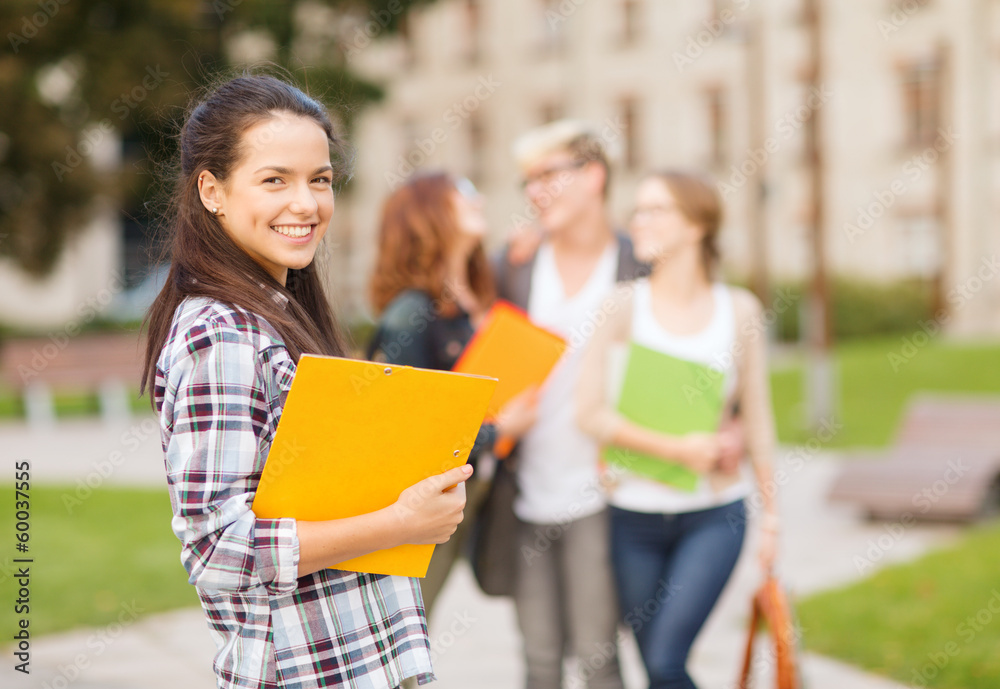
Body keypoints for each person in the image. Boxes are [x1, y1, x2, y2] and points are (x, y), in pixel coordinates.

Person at [141, 73, 472, 689]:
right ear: (211, 190)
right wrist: (400, 524)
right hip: (300, 670)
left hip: (353, 660)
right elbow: (217, 549)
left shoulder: (281, 306)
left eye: (320, 179)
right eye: (275, 180)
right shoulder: (221, 333)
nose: (307, 203)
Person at [576, 170, 780, 689]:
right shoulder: (621, 305)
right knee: (660, 668)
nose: (636, 221)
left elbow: (758, 419)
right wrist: (677, 448)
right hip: (633, 519)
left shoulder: (740, 311)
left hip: (714, 517)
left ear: (696, 226)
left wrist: (773, 516)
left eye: (654, 209)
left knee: (666, 661)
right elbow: (589, 414)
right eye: (637, 209)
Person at [492, 119, 641, 689]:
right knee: (538, 661)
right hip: (526, 492)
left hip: (602, 496)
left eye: (549, 174)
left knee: (599, 657)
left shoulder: (636, 264)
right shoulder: (517, 265)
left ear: (594, 176)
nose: (535, 191)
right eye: (528, 180)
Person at [366, 171, 537, 617]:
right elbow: (407, 431)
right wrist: (499, 432)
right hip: (420, 507)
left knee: (419, 629)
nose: (476, 198)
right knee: (401, 634)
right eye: (462, 193)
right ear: (428, 214)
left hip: (464, 497)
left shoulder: (467, 301)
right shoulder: (411, 313)